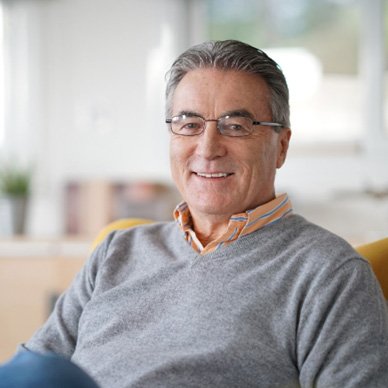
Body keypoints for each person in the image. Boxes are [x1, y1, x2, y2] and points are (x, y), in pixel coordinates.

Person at [2, 39, 388, 387]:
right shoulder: (116, 251)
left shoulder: (327, 272)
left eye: (235, 126)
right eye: (188, 124)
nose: (207, 148)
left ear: (281, 146)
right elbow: (31, 371)